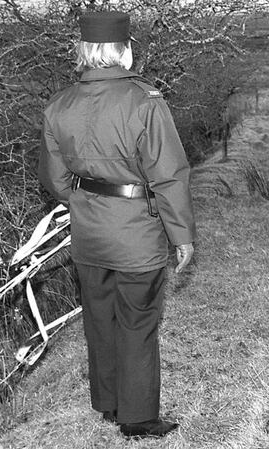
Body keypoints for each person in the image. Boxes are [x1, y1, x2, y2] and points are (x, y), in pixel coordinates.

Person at [38, 10, 195, 439]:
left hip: (88, 234)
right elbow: (169, 174)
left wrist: (88, 202)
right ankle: (138, 417)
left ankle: (107, 404)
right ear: (124, 50)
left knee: (99, 319)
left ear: (84, 52)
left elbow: (54, 180)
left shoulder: (59, 106)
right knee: (138, 321)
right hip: (136, 236)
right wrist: (181, 235)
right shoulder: (145, 102)